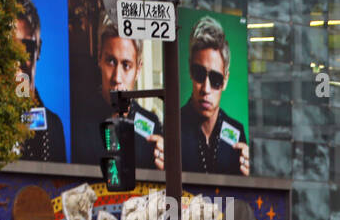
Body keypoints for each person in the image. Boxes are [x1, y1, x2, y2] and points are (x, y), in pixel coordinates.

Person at [70, 15, 163, 168]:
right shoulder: (77, 119)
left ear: (138, 70)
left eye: (126, 65)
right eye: (111, 62)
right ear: (99, 58)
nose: (117, 78)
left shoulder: (152, 124)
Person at [180, 15, 250, 175]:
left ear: (225, 81)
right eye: (199, 74)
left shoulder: (236, 131)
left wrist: (250, 178)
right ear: (190, 72)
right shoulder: (173, 126)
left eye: (215, 79)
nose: (206, 88)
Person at [13, 0, 66, 162]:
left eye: (26, 48)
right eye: (11, 48)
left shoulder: (54, 125)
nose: (19, 59)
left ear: (38, 49)